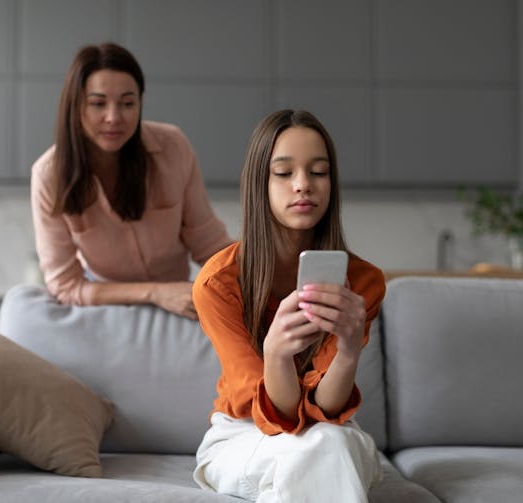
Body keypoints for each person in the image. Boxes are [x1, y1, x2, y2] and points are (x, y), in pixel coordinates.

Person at [192, 109, 386, 502]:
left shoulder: (363, 282)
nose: (303, 185)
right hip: (241, 434)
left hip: (330, 433)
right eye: (283, 173)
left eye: (318, 172)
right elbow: (272, 416)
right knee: (321, 450)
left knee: (326, 443)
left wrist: (348, 350)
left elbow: (327, 409)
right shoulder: (218, 283)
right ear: (259, 183)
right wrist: (276, 353)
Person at [31, 42, 231, 318]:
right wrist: (155, 292)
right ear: (76, 107)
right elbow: (66, 285)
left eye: (127, 103)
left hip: (176, 312)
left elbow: (209, 244)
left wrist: (258, 281)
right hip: (106, 309)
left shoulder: (173, 147)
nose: (114, 117)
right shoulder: (48, 176)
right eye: (98, 103)